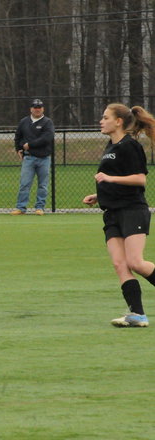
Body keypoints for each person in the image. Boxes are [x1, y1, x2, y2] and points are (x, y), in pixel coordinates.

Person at [82, 103, 155, 328]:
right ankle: (137, 315)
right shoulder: (111, 146)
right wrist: (99, 194)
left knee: (136, 262)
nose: (101, 121)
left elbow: (140, 179)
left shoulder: (130, 145)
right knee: (119, 264)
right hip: (112, 213)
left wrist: (109, 179)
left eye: (105, 117)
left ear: (118, 121)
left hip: (132, 210)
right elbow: (116, 178)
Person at [10, 99, 55, 215]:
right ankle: (21, 207)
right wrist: (18, 149)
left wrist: (30, 145)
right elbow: (18, 136)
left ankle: (40, 207)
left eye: (39, 107)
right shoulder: (24, 122)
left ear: (43, 109)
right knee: (24, 184)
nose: (37, 109)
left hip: (44, 158)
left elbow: (47, 138)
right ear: (31, 109)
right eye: (35, 107)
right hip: (28, 158)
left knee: (43, 185)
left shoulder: (47, 122)